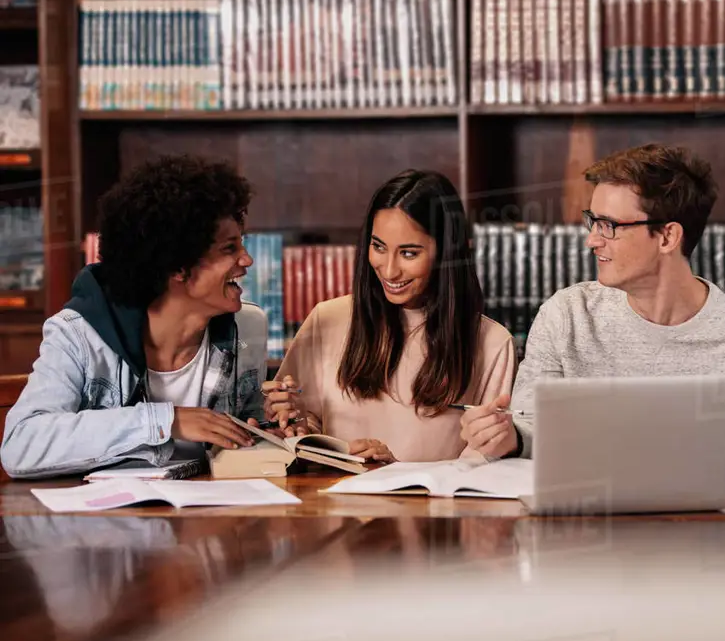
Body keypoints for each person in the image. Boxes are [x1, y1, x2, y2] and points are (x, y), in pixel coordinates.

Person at [459, 143, 725, 459]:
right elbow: (528, 429)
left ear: (668, 237)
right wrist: (506, 436)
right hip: (572, 507)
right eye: (593, 221)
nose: (592, 240)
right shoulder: (566, 315)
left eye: (608, 225)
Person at [2, 155, 266, 479]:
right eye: (229, 249)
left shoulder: (248, 327)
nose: (248, 260)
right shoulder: (78, 335)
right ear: (177, 266)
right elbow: (21, 445)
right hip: (99, 525)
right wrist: (165, 421)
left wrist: (274, 428)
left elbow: (246, 432)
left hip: (211, 520)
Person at [263, 169, 516, 462]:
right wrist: (291, 422)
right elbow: (302, 432)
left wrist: (395, 471)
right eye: (378, 247)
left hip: (430, 506)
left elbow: (484, 467)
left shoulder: (492, 344)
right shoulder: (326, 319)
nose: (389, 270)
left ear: (448, 253)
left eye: (409, 253)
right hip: (331, 502)